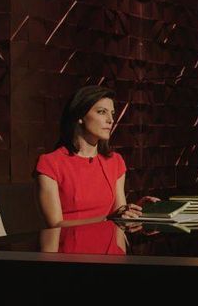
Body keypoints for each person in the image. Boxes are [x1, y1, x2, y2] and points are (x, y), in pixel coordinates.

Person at [36, 85, 158, 233]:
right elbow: (54, 225)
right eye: (102, 112)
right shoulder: (50, 163)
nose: (110, 120)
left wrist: (136, 212)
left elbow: (118, 216)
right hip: (70, 245)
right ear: (80, 116)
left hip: (109, 244)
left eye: (112, 113)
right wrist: (108, 219)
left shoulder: (115, 161)